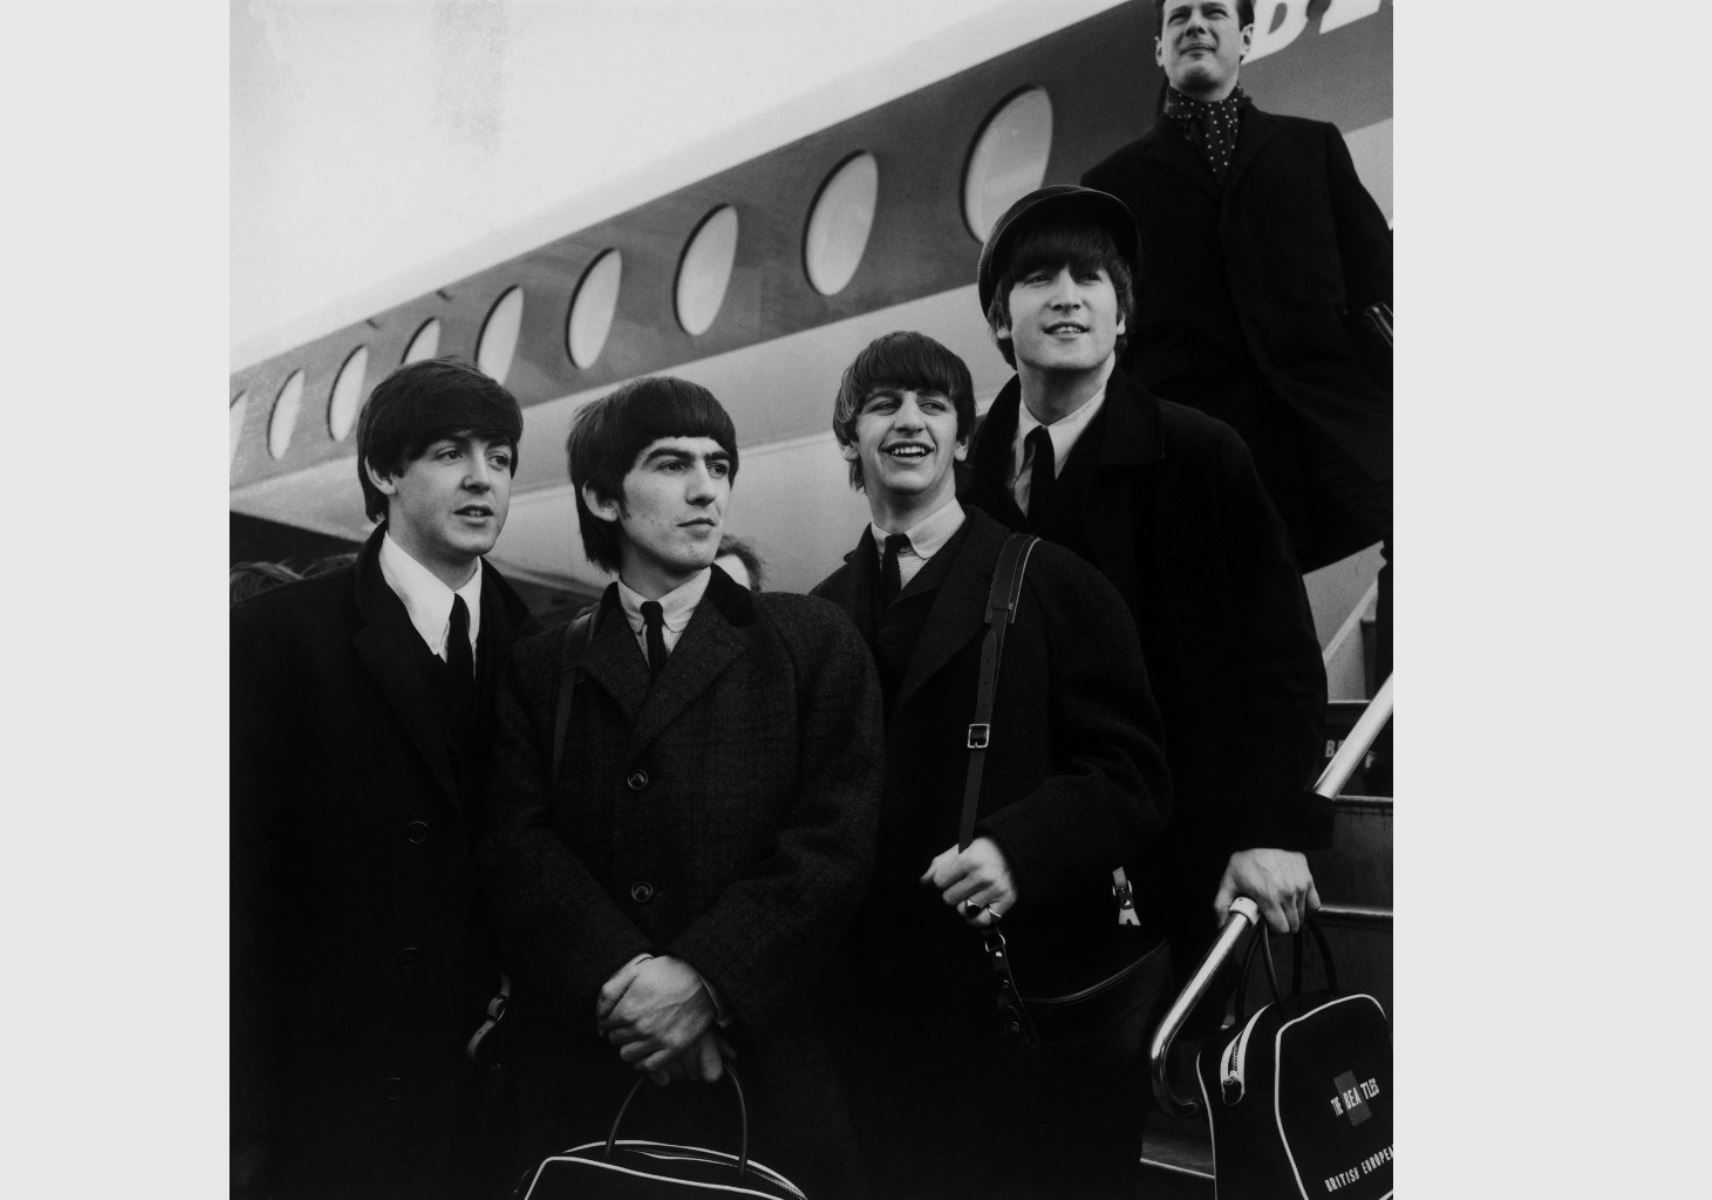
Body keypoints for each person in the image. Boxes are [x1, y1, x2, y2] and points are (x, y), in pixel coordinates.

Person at [478, 376, 882, 1195]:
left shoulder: (809, 641)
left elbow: (835, 840)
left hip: (758, 1076)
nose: (706, 489)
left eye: (720, 465)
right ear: (601, 494)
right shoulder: (542, 660)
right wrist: (629, 989)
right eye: (672, 464)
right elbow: (513, 843)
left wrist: (706, 984)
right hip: (586, 1075)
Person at [811, 330, 1170, 1197]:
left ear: (965, 439)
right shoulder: (815, 614)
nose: (910, 423)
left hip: (1029, 1017)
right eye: (884, 405)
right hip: (876, 1026)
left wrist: (1019, 848)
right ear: (849, 438)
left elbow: (1133, 773)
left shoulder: (1055, 584)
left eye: (935, 406)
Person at [962, 184, 1331, 965]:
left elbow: (1281, 660)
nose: (1067, 298)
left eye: (1091, 279)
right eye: (1039, 279)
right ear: (1001, 319)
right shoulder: (967, 486)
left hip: (1183, 864)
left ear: (1123, 316)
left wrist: (1268, 829)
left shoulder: (1201, 455)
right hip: (1012, 875)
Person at [230, 357, 538, 1199]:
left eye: (502, 458)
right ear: (382, 471)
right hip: (322, 1111)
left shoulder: (548, 654)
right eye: (449, 452)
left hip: (486, 1115)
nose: (483, 478)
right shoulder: (272, 641)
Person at [1081, 0, 1393, 673]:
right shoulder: (1112, 187)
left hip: (1326, 417)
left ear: (1247, 38)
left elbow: (1379, 285)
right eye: (1179, 17)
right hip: (1201, 438)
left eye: (1215, 12)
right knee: (1232, 622)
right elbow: (1108, 338)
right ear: (1158, 51)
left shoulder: (1313, 147)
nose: (1196, 23)